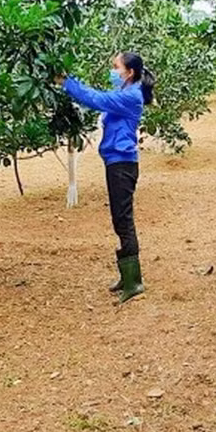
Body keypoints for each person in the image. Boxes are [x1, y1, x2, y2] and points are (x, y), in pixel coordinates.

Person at [56, 52, 155, 304]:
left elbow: (95, 98)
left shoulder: (129, 97)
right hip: (117, 162)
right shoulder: (127, 91)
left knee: (124, 220)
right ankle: (127, 276)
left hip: (122, 164)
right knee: (119, 219)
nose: (113, 71)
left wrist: (66, 82)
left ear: (129, 72)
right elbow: (102, 94)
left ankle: (134, 282)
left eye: (116, 67)